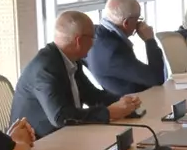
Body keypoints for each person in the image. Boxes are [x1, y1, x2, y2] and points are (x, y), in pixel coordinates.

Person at [13, 11, 141, 139]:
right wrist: (109, 112)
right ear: (79, 41)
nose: (94, 43)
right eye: (93, 37)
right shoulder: (45, 69)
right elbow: (60, 117)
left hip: (66, 137)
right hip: (40, 144)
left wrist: (123, 102)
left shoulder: (71, 60)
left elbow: (91, 95)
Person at [85, 0, 166, 96]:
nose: (139, 23)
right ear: (126, 22)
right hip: (135, 102)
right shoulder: (114, 50)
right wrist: (149, 40)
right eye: (138, 19)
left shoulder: (94, 34)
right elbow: (157, 78)